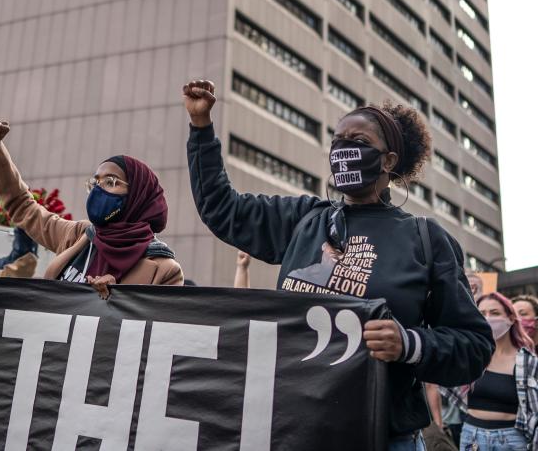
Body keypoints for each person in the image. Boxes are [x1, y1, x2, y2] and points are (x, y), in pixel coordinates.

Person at [183, 80, 493, 448]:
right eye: (337, 142)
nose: (344, 150)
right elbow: (222, 209)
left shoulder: (426, 240)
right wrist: (201, 127)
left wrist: (408, 344)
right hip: (297, 428)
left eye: (358, 143)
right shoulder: (304, 220)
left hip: (384, 435)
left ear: (389, 161)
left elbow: (473, 346)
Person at [0, 117, 182, 298]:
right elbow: (24, 207)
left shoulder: (164, 270)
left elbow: (159, 338)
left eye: (111, 182)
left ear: (139, 196)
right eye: (95, 182)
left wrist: (120, 298)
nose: (98, 190)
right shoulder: (79, 236)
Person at [459, 292, 537, 450]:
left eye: (494, 313)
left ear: (511, 318)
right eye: (481, 314)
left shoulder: (528, 361)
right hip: (471, 439)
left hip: (511, 440)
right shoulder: (471, 356)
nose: (487, 318)